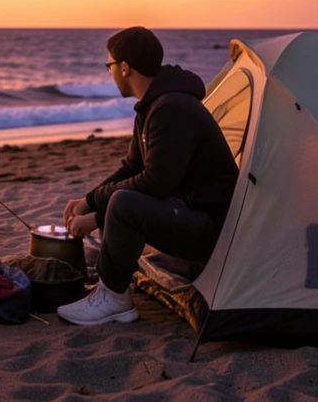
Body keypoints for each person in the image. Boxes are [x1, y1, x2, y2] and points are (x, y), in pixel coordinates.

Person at [56, 26, 238, 326]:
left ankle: (114, 298)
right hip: (191, 214)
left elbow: (156, 183)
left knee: (123, 202)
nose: (110, 72)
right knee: (120, 195)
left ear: (124, 68)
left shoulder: (172, 109)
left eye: (109, 65)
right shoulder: (154, 106)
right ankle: (111, 289)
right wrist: (87, 201)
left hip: (214, 231)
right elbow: (132, 168)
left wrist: (99, 214)